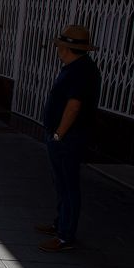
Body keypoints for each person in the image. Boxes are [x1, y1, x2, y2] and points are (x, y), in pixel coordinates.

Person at [37, 25, 102, 253]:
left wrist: (58, 134)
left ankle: (65, 236)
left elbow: (74, 106)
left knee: (68, 185)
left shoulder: (80, 71)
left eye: (59, 46)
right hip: (65, 137)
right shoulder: (76, 67)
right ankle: (60, 223)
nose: (57, 49)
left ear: (66, 48)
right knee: (61, 183)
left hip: (68, 139)